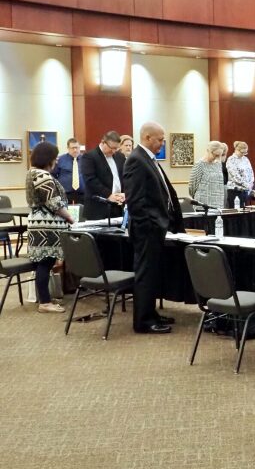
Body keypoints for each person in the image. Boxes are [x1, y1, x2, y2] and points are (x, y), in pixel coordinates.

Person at [123, 122, 184, 334]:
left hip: (156, 229)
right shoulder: (136, 160)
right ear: (148, 138)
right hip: (146, 230)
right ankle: (143, 321)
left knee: (154, 273)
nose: (162, 143)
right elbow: (135, 200)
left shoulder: (148, 159)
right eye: (159, 139)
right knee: (146, 274)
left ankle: (151, 313)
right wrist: (150, 225)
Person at [26, 142, 75, 314]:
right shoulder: (43, 176)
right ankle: (45, 302)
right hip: (46, 227)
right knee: (45, 263)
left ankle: (45, 297)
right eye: (55, 157)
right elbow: (54, 203)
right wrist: (70, 217)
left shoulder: (33, 173)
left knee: (44, 263)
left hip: (39, 225)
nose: (57, 160)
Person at [80, 131, 126, 221]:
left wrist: (124, 193)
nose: (113, 151)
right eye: (111, 148)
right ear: (103, 142)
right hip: (98, 208)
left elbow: (124, 177)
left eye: (116, 148)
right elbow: (90, 180)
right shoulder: (89, 157)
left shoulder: (120, 157)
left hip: (118, 206)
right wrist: (109, 195)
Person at [189, 141, 227, 210]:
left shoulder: (218, 164)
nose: (216, 158)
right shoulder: (199, 165)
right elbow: (192, 187)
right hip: (202, 205)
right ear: (208, 151)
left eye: (219, 156)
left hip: (218, 205)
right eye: (215, 155)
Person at [52, 138, 84, 205]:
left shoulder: (86, 159)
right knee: (67, 215)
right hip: (65, 195)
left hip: (83, 195)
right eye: (72, 148)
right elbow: (53, 175)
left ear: (79, 147)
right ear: (68, 148)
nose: (75, 150)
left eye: (77, 148)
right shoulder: (60, 159)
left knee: (83, 215)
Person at [225, 140, 254, 208]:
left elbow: (251, 172)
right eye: (242, 152)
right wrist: (246, 185)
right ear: (236, 150)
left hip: (245, 190)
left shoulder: (245, 159)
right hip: (235, 190)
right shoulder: (231, 159)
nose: (243, 154)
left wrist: (251, 184)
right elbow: (235, 175)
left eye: (245, 152)